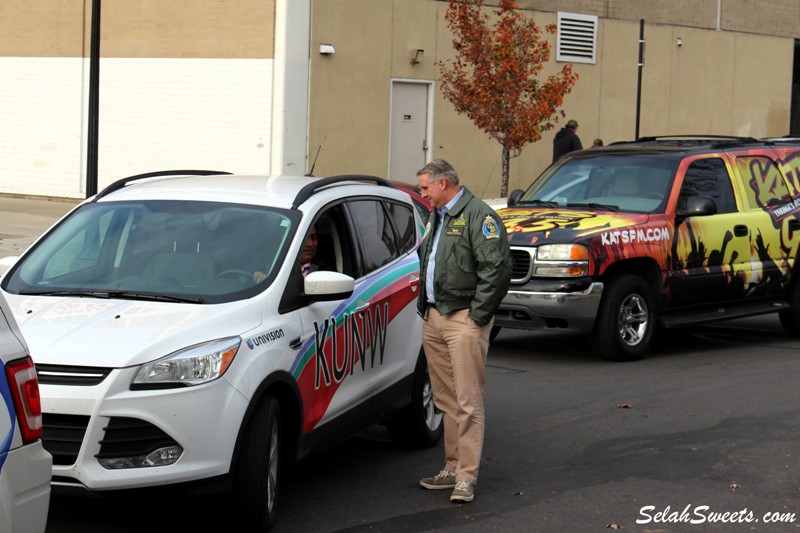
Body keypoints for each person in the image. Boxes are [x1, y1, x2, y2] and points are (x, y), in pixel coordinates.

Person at [415, 159, 512, 504]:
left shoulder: (479, 216)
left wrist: (477, 317)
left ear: (443, 183)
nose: (422, 193)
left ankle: (466, 478)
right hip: (434, 316)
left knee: (468, 401)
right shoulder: (437, 215)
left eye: (425, 187)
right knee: (446, 399)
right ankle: (451, 468)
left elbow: (497, 270)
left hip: (463, 320)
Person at [254, 225, 318, 283]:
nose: (310, 244)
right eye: (304, 238)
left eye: (314, 238)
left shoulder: (323, 271)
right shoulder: (268, 267)